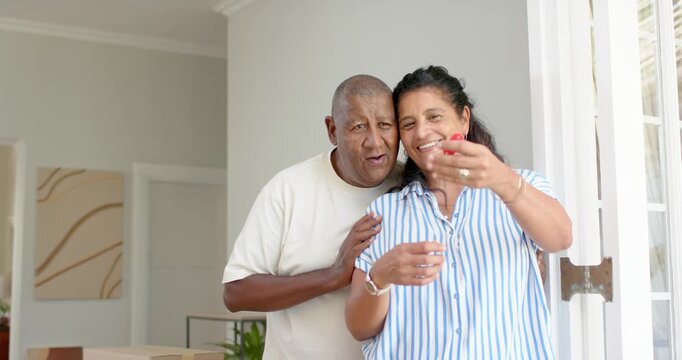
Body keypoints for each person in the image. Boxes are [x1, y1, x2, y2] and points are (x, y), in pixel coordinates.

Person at [345, 66, 572, 359]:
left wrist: (502, 180)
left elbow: (561, 238)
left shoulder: (521, 186)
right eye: (409, 123)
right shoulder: (384, 213)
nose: (423, 132)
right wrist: (379, 277)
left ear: (463, 119)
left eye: (434, 116)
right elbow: (359, 328)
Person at [222, 74, 400, 359]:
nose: (375, 142)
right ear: (332, 130)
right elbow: (236, 293)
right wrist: (334, 275)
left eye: (385, 125)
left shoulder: (412, 190)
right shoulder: (288, 190)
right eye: (358, 127)